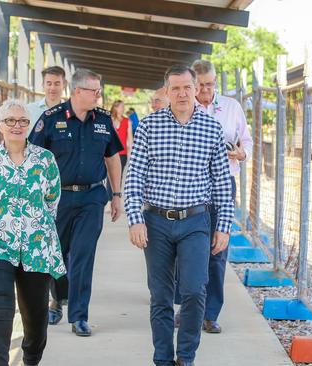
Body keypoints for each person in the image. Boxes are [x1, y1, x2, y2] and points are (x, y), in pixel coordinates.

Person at [124, 65, 234, 366]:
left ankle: (186, 357)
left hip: (196, 221)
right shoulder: (149, 126)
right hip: (156, 221)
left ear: (196, 89)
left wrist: (223, 227)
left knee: (195, 290)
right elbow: (134, 175)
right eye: (176, 88)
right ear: (167, 92)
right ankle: (162, 358)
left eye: (187, 87)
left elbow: (223, 182)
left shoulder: (212, 129)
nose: (183, 93)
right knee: (160, 295)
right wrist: (135, 219)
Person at [28, 68, 124, 337]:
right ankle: (57, 298)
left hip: (92, 198)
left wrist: (116, 194)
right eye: (95, 91)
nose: (99, 95)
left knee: (83, 256)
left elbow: (112, 157)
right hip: (57, 198)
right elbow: (34, 159)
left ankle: (79, 316)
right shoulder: (51, 119)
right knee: (56, 254)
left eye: (99, 90)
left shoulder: (103, 121)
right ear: (78, 92)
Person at [0, 99, 65, 366]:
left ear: (29, 125)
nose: (17, 126)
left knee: (35, 319)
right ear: (0, 125)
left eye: (22, 121)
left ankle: (31, 359)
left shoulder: (45, 160)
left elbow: (52, 199)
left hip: (36, 248)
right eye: (10, 120)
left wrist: (34, 226)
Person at [174, 60, 253, 334]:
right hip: (191, 188)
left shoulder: (232, 107)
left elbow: (247, 141)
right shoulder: (185, 108)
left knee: (217, 251)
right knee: (187, 252)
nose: (206, 89)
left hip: (223, 185)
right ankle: (187, 309)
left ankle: (210, 314)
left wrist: (241, 153)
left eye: (210, 84)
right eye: (201, 85)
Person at [27, 66, 66, 136]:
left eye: (57, 84)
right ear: (43, 85)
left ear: (64, 85)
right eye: (49, 83)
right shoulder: (29, 110)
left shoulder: (72, 112)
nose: (52, 88)